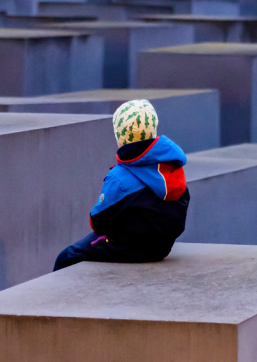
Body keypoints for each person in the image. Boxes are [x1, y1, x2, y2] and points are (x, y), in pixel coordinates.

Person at [53, 99, 191, 271]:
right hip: (163, 248)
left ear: (120, 136)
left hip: (130, 248)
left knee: (66, 258)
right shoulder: (173, 168)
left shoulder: (119, 178)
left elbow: (98, 221)